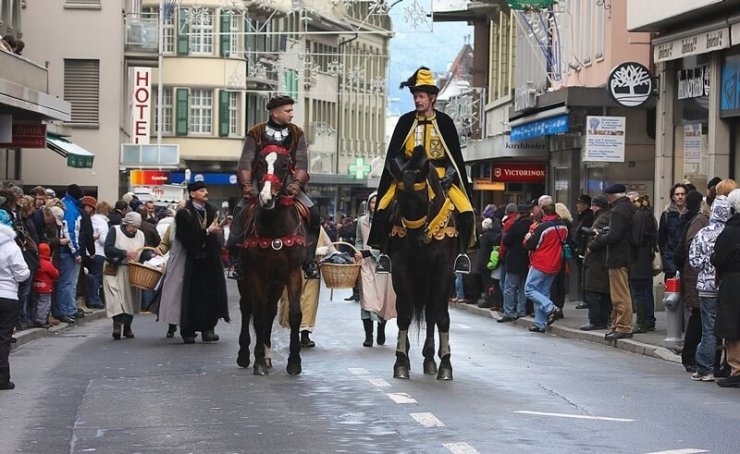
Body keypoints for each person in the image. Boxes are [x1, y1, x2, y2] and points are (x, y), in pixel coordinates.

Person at [367, 67, 474, 274]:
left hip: (440, 176)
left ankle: (461, 255)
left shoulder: (445, 122)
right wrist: (398, 169)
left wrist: (451, 175)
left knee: (467, 211)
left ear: (432, 98)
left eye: (421, 96)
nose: (417, 100)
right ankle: (386, 254)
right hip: (409, 177)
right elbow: (395, 152)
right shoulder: (406, 121)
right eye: (415, 96)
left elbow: (454, 156)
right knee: (383, 206)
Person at [230, 95, 321, 280]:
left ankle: (309, 260)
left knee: (314, 212)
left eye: (291, 110)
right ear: (275, 113)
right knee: (239, 213)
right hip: (259, 183)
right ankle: (238, 261)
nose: (291, 115)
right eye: (288, 111)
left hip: (288, 184)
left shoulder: (297, 133)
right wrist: (247, 186)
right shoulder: (255, 132)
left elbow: (302, 162)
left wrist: (296, 184)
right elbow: (246, 161)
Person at [175, 181, 230, 344]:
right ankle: (188, 331)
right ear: (192, 194)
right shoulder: (184, 214)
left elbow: (217, 236)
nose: (206, 192)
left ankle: (208, 329)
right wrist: (207, 231)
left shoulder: (212, 211)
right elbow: (186, 238)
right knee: (191, 296)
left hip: (209, 260)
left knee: (210, 295)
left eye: (206, 189)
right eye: (201, 190)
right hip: (191, 261)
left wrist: (218, 233)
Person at [688, 195, 731, 382]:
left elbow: (694, 260)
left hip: (706, 286)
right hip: (726, 286)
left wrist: (706, 266)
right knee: (728, 327)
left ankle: (705, 367)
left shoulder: (704, 233)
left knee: (708, 328)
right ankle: (727, 365)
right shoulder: (729, 233)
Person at [588, 184, 636, 341]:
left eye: (609, 196)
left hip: (618, 257)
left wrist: (599, 237)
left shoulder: (618, 210)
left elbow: (614, 235)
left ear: (612, 196)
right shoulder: (631, 208)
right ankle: (616, 324)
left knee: (620, 295)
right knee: (621, 293)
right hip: (628, 255)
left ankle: (623, 326)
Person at [278, 226, 337, 348]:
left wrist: (334, 254)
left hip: (311, 266)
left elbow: (330, 246)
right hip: (290, 265)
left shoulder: (315, 225)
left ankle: (305, 334)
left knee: (310, 300)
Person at [355, 192, 396, 347]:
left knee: (382, 300)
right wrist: (359, 252)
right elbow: (359, 240)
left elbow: (390, 244)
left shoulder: (388, 222)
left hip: (383, 265)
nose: (375, 205)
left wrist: (370, 252)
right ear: (368, 205)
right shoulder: (361, 222)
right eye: (372, 202)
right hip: (366, 265)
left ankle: (381, 330)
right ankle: (368, 336)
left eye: (377, 202)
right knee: (366, 299)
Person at [674, 189, 709, 371]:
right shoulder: (698, 220)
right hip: (696, 276)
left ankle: (692, 355)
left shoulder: (693, 219)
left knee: (699, 317)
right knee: (698, 317)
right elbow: (690, 248)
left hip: (695, 275)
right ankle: (690, 356)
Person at [711, 189, 740, 388]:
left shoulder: (730, 231)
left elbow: (717, 257)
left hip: (733, 283)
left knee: (733, 327)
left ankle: (736, 368)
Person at [524, 202, 568, 332]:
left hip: (541, 261)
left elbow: (532, 244)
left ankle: (551, 308)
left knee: (529, 289)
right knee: (544, 292)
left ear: (543, 212)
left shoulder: (543, 227)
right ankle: (540, 323)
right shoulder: (563, 226)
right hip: (556, 262)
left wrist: (527, 238)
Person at [0, 209, 31, 390]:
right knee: (3, 337)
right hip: (7, 295)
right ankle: (2, 377)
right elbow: (22, 274)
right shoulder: (12, 247)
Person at [103, 212, 145, 340]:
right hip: (114, 268)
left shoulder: (141, 235)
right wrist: (124, 253)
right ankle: (117, 324)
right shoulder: (114, 230)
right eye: (132, 227)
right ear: (126, 223)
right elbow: (108, 248)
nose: (134, 230)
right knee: (115, 297)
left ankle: (127, 326)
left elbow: (143, 253)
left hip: (131, 271)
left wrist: (152, 254)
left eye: (136, 227)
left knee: (129, 299)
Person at [154, 201, 187, 338]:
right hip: (174, 265)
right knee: (171, 295)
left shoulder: (195, 223)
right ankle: (172, 325)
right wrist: (159, 249)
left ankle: (188, 326)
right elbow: (165, 243)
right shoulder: (172, 226)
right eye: (180, 209)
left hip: (190, 265)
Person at [580, 196, 611, 331]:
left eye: (594, 205)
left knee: (591, 291)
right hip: (603, 261)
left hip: (596, 261)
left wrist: (590, 247)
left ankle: (595, 320)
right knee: (604, 293)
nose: (591, 208)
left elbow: (597, 237)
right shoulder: (607, 216)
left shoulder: (602, 218)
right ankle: (604, 319)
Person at [629, 194, 659, 333]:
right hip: (646, 258)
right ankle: (649, 320)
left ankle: (641, 322)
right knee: (647, 291)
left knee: (639, 292)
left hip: (637, 260)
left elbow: (634, 239)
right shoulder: (650, 217)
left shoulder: (637, 218)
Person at [498, 204, 531, 323]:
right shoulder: (532, 225)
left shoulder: (516, 225)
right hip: (528, 260)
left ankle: (509, 312)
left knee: (509, 287)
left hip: (514, 259)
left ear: (518, 214)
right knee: (523, 287)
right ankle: (521, 310)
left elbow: (506, 241)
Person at [58, 184, 84, 324]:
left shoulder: (65, 205)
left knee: (66, 282)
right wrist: (76, 252)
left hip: (65, 250)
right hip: (68, 252)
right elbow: (70, 231)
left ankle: (68, 309)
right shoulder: (71, 209)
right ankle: (66, 310)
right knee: (68, 283)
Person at [659, 183, 688, 279]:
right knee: (671, 292)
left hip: (686, 262)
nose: (680, 197)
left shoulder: (691, 215)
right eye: (677, 194)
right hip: (670, 262)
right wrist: (665, 255)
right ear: (673, 197)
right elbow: (661, 239)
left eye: (682, 194)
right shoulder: (666, 215)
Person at [573, 194, 594, 308]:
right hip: (579, 249)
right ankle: (583, 298)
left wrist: (581, 249)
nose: (577, 205)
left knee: (584, 275)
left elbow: (585, 234)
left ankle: (586, 299)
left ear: (586, 205)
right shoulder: (582, 216)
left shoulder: (588, 217)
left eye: (580, 203)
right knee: (581, 275)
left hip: (583, 250)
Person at [88, 201, 110, 309]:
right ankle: (95, 300)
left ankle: (90, 298)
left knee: (91, 277)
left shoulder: (91, 219)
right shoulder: (103, 222)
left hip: (91, 252)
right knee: (97, 277)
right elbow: (103, 239)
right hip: (100, 252)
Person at [31, 243, 59, 328]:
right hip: (45, 287)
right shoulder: (47, 264)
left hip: (35, 286)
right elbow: (55, 274)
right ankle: (41, 320)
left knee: (35, 304)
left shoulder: (36, 261)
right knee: (45, 304)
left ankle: (35, 319)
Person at [476, 217, 501, 309]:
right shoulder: (496, 234)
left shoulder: (484, 237)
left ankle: (489, 300)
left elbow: (482, 250)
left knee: (487, 283)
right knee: (494, 282)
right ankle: (495, 300)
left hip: (485, 262)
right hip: (494, 261)